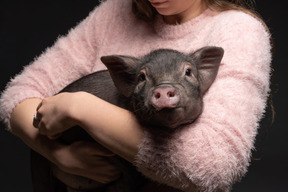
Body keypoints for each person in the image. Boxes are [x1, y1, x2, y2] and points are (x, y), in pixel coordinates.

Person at [0, 0, 272, 191]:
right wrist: (58, 154)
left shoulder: (238, 29)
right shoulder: (112, 14)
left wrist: (82, 107)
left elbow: (214, 165)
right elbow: (19, 94)